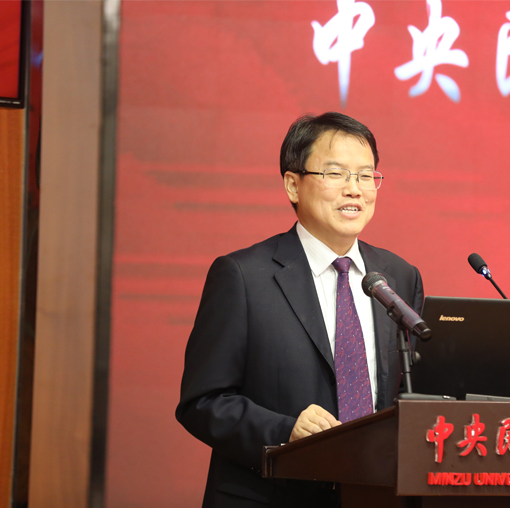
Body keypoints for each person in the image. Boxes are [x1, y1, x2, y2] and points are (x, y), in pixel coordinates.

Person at [176, 112, 424, 507]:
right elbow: (203, 402)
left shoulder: (399, 277)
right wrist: (286, 430)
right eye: (336, 174)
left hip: (373, 495)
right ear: (293, 184)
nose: (355, 190)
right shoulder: (243, 277)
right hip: (272, 496)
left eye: (365, 176)